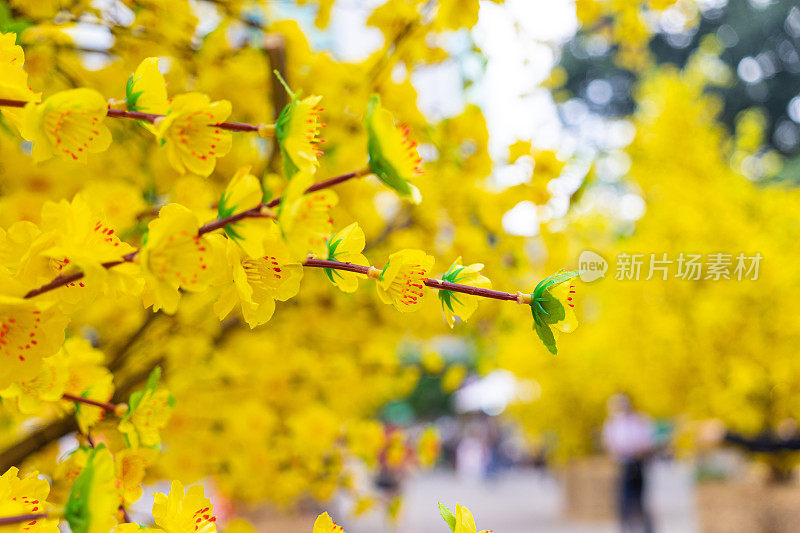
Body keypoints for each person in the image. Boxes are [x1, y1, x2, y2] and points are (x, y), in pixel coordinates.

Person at [602, 393, 656, 533]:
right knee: (625, 501)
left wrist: (638, 450)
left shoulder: (638, 421)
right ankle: (627, 528)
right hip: (623, 464)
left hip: (638, 463)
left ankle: (646, 528)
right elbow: (610, 444)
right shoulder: (613, 423)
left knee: (640, 499)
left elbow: (647, 441)